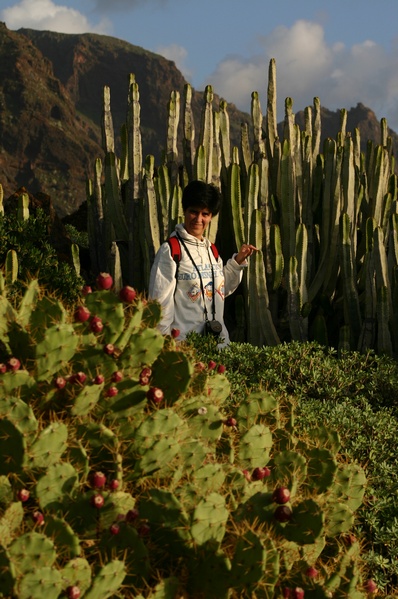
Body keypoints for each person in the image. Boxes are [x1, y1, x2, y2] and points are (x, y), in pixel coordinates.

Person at [148, 180, 257, 346]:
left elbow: (220, 290)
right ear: (184, 211)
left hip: (219, 346)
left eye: (205, 214)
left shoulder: (211, 251)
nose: (198, 219)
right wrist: (166, 348)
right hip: (185, 349)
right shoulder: (171, 250)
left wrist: (237, 262)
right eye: (194, 212)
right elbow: (160, 304)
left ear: (211, 216)